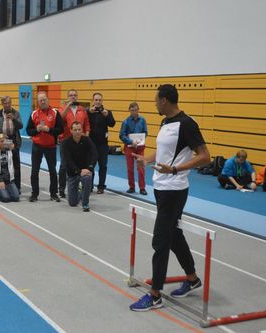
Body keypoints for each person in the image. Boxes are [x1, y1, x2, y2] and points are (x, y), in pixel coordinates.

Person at [130, 84, 211, 312]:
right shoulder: (166, 122)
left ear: (164, 100)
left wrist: (176, 170)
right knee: (174, 235)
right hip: (161, 187)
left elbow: (205, 157)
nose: (155, 103)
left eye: (156, 100)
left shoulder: (187, 124)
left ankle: (155, 295)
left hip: (174, 190)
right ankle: (193, 278)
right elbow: (164, 152)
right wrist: (146, 160)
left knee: (160, 240)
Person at [26, 92, 64, 202]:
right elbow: (28, 131)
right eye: (40, 100)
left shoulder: (55, 113)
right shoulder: (34, 114)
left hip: (51, 147)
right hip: (37, 146)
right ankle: (34, 194)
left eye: (44, 99)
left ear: (48, 100)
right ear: (38, 102)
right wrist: (36, 130)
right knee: (34, 171)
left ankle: (53, 194)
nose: (42, 102)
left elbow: (61, 129)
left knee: (52, 171)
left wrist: (50, 130)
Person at [58, 89, 90, 198]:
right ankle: (61, 189)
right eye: (71, 95)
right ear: (68, 97)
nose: (73, 97)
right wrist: (68, 106)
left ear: (77, 96)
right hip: (65, 141)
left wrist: (87, 136)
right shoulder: (63, 108)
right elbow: (60, 119)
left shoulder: (82, 110)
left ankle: (78, 187)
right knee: (63, 166)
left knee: (79, 164)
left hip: (79, 142)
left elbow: (86, 124)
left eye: (75, 95)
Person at [61, 121, 97, 212]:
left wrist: (90, 168)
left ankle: (85, 203)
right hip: (73, 173)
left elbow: (95, 154)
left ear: (82, 130)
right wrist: (78, 171)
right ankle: (80, 191)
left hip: (85, 171)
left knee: (87, 178)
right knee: (73, 203)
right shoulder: (65, 143)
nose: (77, 132)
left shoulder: (87, 140)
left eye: (79, 129)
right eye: (75, 130)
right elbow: (68, 161)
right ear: (71, 131)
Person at [0, 96, 23, 193]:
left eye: (9, 103)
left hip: (13, 140)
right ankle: (3, 184)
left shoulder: (16, 113)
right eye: (5, 103)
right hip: (2, 141)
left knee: (16, 164)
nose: (8, 105)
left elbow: (20, 126)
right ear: (2, 104)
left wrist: (14, 119)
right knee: (3, 163)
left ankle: (17, 187)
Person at [88, 92, 115, 194]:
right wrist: (88, 111)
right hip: (91, 144)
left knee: (103, 166)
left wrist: (107, 115)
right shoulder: (89, 112)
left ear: (102, 101)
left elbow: (112, 123)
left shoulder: (107, 112)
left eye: (99, 100)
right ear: (93, 101)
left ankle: (101, 187)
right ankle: (89, 185)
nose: (98, 102)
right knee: (91, 166)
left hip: (103, 144)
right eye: (96, 100)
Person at [119, 102, 148, 195]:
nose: (134, 112)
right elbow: (121, 135)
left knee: (141, 168)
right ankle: (131, 187)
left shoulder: (143, 120)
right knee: (130, 169)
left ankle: (142, 188)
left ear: (138, 110)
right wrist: (131, 142)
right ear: (129, 111)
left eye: (136, 110)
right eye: (132, 110)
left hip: (140, 148)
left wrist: (140, 140)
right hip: (129, 148)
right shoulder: (125, 121)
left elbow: (145, 132)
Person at [0, 134, 20, 203]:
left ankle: (4, 190)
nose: (3, 143)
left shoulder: (10, 151)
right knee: (6, 198)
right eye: (1, 141)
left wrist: (14, 149)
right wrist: (0, 180)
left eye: (5, 141)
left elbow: (16, 162)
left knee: (16, 197)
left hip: (9, 180)